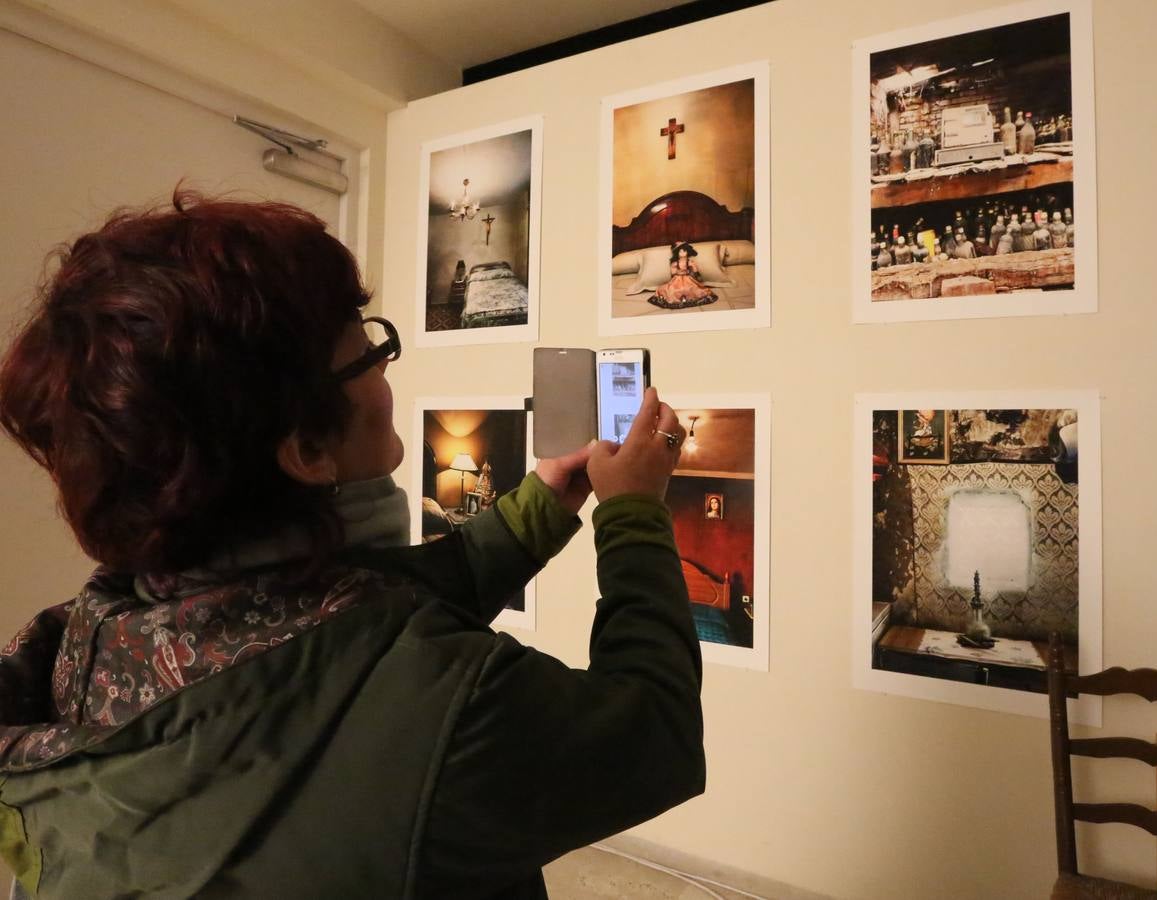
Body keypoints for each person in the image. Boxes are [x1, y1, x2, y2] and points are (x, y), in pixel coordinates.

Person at [0, 193, 703, 897]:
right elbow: (651, 734)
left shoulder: (95, 637)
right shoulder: (457, 711)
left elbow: (349, 632)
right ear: (306, 447)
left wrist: (536, 513)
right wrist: (633, 514)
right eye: (365, 353)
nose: (385, 369)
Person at [650, 241, 717, 310]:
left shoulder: (689, 262)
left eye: (684, 251)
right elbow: (673, 273)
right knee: (673, 290)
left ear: (687, 252)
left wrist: (694, 268)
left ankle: (687, 297)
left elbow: (695, 271)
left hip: (688, 279)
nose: (682, 253)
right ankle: (678, 297)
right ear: (677, 253)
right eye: (680, 252)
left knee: (692, 288)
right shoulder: (675, 263)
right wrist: (677, 270)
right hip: (677, 279)